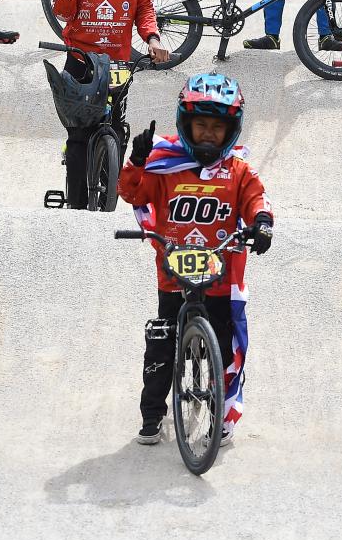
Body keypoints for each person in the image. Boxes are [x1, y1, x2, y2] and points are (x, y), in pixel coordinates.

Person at [117, 73, 273, 445]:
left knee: (226, 345)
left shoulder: (238, 171)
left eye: (217, 127)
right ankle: (153, 413)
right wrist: (138, 160)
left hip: (219, 277)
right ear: (185, 124)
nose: (207, 133)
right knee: (161, 342)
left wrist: (263, 224)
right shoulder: (164, 165)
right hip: (173, 275)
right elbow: (131, 192)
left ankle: (222, 414)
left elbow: (256, 200)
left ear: (231, 130)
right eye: (200, 124)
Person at [47, 0, 170, 209]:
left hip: (117, 61)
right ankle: (74, 205)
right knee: (78, 136)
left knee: (116, 127)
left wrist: (152, 39)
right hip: (80, 59)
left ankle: (108, 186)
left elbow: (145, 7)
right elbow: (62, 11)